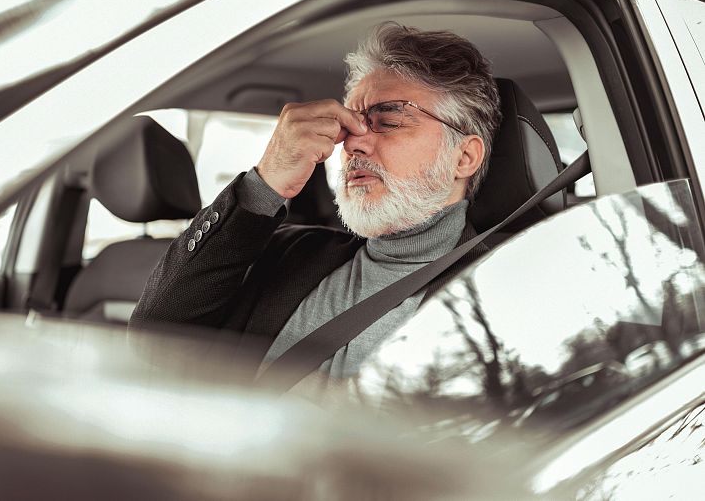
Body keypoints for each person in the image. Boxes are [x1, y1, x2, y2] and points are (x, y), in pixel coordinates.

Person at [129, 22, 502, 386]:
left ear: (464, 157)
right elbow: (155, 339)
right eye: (350, 127)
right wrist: (265, 182)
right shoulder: (287, 252)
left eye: (387, 121)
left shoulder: (497, 297)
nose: (353, 144)